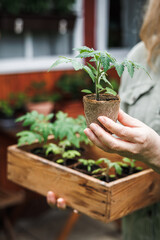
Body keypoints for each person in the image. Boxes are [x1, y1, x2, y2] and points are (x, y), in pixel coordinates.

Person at [47, 0, 160, 239]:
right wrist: (81, 187)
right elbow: (120, 151)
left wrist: (156, 152)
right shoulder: (141, 55)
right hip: (136, 229)